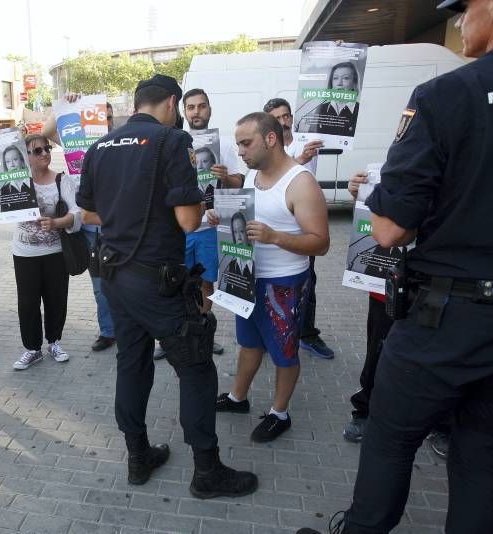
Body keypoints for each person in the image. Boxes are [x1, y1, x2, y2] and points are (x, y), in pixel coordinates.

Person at [299, 1, 493, 532]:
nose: (461, 21)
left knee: (390, 439)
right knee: (486, 462)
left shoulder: (450, 93)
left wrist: (375, 198)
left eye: (463, 8)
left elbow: (393, 229)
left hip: (448, 319)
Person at [77, 74, 258, 498]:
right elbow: (189, 221)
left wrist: (127, 217)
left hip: (115, 276)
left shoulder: (99, 146)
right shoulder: (172, 141)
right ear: (172, 103)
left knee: (132, 362)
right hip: (157, 280)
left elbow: (88, 215)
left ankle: (138, 456)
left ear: (138, 102)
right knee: (196, 366)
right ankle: (207, 471)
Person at [212, 112, 329, 443]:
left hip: (284, 285)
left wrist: (275, 236)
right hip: (247, 278)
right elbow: (246, 220)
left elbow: (321, 243)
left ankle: (280, 412)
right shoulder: (252, 176)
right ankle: (238, 398)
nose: (240, 151)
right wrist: (218, 218)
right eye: (238, 144)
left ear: (271, 139)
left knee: (284, 352)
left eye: (246, 143)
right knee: (248, 343)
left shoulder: (300, 182)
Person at [343, 172, 452, 456]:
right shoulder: (409, 159)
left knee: (440, 354)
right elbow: (386, 222)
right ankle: (366, 408)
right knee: (379, 347)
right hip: (390, 280)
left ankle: (443, 422)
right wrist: (363, 194)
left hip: (444, 281)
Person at [162, 88, 245, 361]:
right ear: (183, 112)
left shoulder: (224, 145)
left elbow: (240, 183)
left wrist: (225, 177)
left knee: (206, 284)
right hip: (181, 229)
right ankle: (170, 338)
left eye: (202, 106)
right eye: (191, 107)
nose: (196, 112)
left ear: (210, 110)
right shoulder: (173, 142)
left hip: (210, 228)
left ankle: (203, 333)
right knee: (174, 283)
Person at [42, 98, 117, 352]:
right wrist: (64, 105)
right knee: (99, 286)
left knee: (126, 282)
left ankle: (131, 329)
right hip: (89, 228)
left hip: (119, 226)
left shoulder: (121, 144)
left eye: (108, 117)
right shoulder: (77, 145)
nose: (104, 121)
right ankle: (108, 331)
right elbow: (45, 132)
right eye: (100, 116)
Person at [262, 97, 334, 359]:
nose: (284, 121)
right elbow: (275, 174)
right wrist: (300, 159)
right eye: (278, 118)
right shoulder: (270, 148)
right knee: (277, 281)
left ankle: (307, 333)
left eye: (287, 116)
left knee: (308, 279)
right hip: (281, 221)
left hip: (306, 218)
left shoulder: (306, 140)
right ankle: (275, 330)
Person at [12, 134, 80, 370]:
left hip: (55, 252)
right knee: (27, 303)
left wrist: (56, 223)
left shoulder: (62, 180)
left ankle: (54, 342)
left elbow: (76, 214)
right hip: (24, 253)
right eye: (37, 151)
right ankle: (32, 349)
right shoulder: (15, 180)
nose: (44, 154)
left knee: (56, 300)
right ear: (26, 156)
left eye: (46, 148)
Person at [305, 62, 360, 137]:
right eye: (335, 78)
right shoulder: (321, 108)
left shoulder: (360, 110)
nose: (339, 83)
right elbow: (310, 136)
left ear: (354, 83)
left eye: (345, 78)